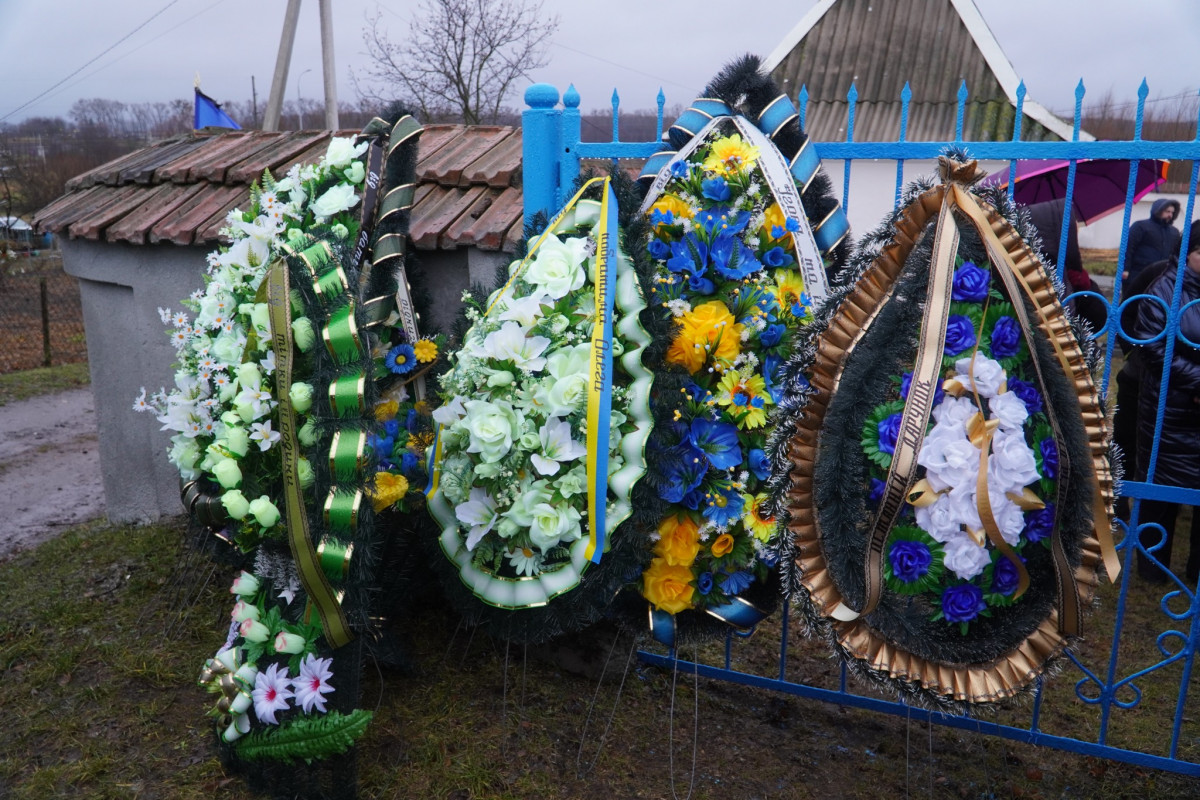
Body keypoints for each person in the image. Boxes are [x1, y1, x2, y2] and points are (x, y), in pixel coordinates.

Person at [1131, 219, 1200, 585]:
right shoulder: (1164, 290)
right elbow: (1152, 346)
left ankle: (1196, 572)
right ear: (1187, 253)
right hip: (1169, 408)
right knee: (1161, 487)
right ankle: (1152, 566)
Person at [1027, 198, 1107, 334]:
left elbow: (1097, 322)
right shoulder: (1031, 269)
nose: (1077, 227)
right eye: (1073, 223)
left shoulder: (1070, 270)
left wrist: (1086, 288)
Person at [1123, 198, 1181, 288]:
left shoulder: (1174, 232)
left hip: (1162, 277)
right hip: (1138, 274)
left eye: (1172, 212)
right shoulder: (1140, 226)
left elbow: (1176, 254)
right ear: (1158, 210)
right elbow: (1128, 247)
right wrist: (1125, 269)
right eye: (1167, 211)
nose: (1170, 215)